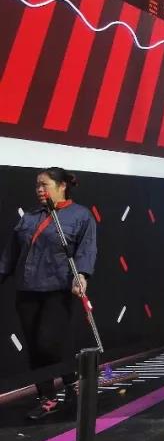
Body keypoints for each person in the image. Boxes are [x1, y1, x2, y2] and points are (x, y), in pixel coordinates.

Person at [0, 168, 97, 421]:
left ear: (62, 186)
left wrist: (82, 275)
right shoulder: (29, 218)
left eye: (44, 184)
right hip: (27, 290)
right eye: (37, 185)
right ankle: (47, 398)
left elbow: (86, 250)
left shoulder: (81, 216)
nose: (39, 190)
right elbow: (10, 253)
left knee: (48, 342)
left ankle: (71, 382)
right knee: (34, 347)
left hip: (57, 289)